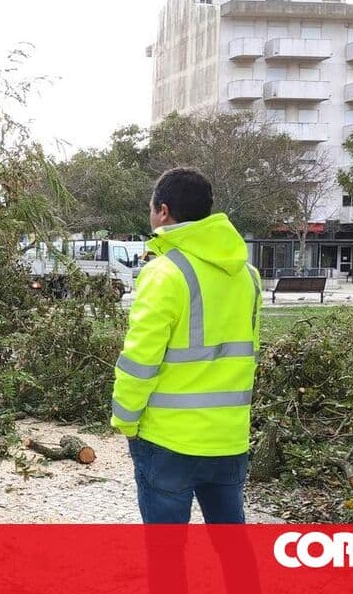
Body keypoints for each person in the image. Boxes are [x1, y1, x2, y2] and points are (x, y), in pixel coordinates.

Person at [110, 167, 262, 524]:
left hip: (168, 440)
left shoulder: (163, 273)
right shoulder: (248, 276)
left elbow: (140, 360)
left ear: (163, 211)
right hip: (229, 438)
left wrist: (125, 419)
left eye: (151, 208)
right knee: (232, 546)